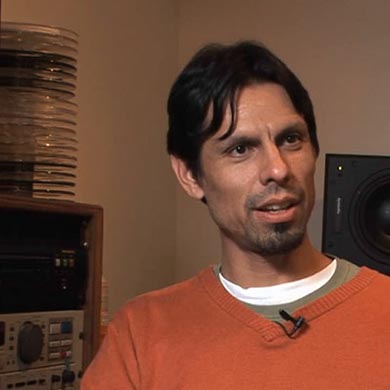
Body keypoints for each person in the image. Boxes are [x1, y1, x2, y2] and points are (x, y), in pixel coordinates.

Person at [81, 41, 390, 389]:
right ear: (190, 176)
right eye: (240, 149)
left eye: (291, 139)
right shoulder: (139, 333)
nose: (277, 169)